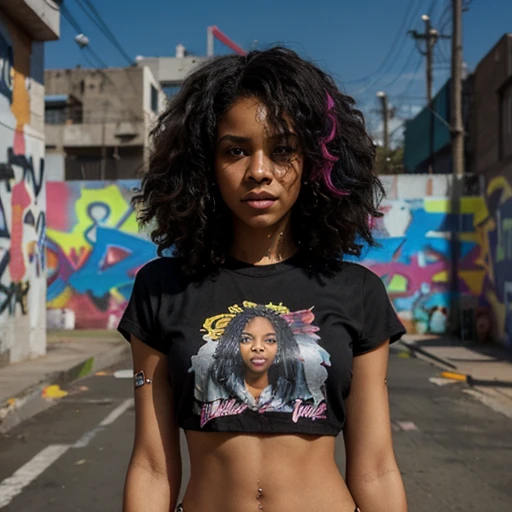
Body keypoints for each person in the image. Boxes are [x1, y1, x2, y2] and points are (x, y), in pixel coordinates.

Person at [118, 46, 408, 512]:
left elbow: (375, 467)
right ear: (204, 164)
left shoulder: (357, 291)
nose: (259, 171)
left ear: (316, 162)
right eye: (236, 150)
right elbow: (152, 466)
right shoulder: (163, 287)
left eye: (283, 150)